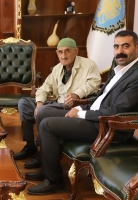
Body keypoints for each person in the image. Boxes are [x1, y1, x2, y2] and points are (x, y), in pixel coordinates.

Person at [26, 30, 138, 195]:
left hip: (108, 127)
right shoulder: (120, 70)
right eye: (116, 47)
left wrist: (80, 114)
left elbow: (116, 111)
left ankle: (54, 181)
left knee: (48, 125)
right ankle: (46, 166)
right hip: (96, 117)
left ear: (137, 48)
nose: (120, 51)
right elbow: (99, 99)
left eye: (126, 46)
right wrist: (80, 108)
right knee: (43, 113)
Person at [14, 38, 101, 168]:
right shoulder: (57, 69)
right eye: (60, 52)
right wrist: (39, 103)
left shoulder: (89, 65)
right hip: (57, 104)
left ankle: (42, 153)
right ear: (57, 53)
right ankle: (30, 145)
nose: (63, 56)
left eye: (67, 51)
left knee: (43, 112)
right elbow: (44, 88)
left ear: (76, 51)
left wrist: (77, 94)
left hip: (74, 107)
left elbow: (94, 84)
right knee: (24, 103)